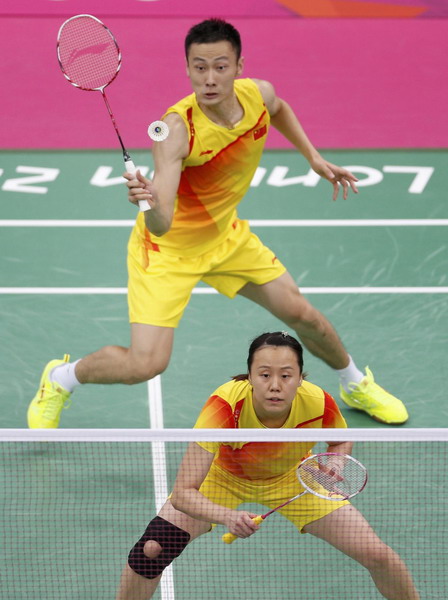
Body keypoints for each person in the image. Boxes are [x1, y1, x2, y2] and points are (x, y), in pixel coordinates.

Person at [27, 18, 408, 428]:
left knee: (304, 315)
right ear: (187, 68)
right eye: (199, 67)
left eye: (220, 66)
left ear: (239, 66)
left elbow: (278, 110)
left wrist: (312, 157)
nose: (210, 79)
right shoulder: (176, 131)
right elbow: (161, 224)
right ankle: (60, 378)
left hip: (225, 237)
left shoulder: (258, 94)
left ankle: (353, 383)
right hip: (167, 252)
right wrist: (147, 202)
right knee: (145, 364)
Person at [115, 332, 420, 600]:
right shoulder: (223, 407)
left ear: (301, 378)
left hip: (295, 479)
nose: (275, 386)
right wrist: (227, 517)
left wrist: (336, 460)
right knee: (151, 550)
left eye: (286, 376)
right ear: (249, 376)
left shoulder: (318, 402)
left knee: (378, 555)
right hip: (222, 479)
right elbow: (183, 493)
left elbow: (340, 440)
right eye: (264, 375)